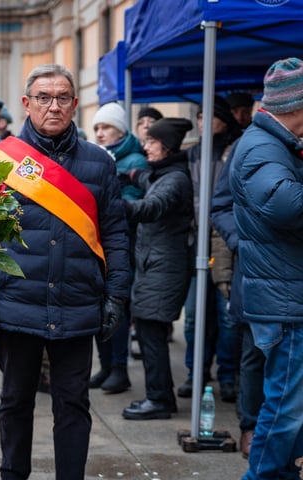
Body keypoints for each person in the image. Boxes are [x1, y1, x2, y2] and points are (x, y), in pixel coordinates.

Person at [0, 64, 131, 479]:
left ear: (75, 103)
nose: (54, 106)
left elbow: (116, 233)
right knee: (14, 401)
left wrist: (117, 294)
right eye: (44, 98)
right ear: (27, 104)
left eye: (62, 97)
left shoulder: (99, 162)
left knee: (73, 404)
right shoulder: (0, 161)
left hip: (77, 303)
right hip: (17, 305)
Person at [230, 57, 303, 479]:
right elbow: (286, 205)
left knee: (290, 410)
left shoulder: (274, 143)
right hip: (283, 300)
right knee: (284, 411)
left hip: (286, 293)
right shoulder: (262, 145)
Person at [120, 118, 195, 420]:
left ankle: (160, 399)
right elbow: (147, 181)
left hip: (165, 269)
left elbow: (150, 208)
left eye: (151, 142)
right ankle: (158, 395)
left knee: (151, 333)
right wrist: (129, 174)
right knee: (150, 331)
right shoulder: (164, 174)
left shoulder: (175, 180)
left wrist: (113, 201)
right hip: (156, 267)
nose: (145, 146)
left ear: (166, 147)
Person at [178, 96, 242, 403]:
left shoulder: (235, 151)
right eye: (199, 117)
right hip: (195, 245)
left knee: (227, 316)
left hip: (225, 245)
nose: (202, 122)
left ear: (223, 119)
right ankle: (196, 373)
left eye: (209, 117)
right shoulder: (190, 154)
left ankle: (228, 375)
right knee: (193, 316)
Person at [90, 102, 149, 394]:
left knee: (118, 308)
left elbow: (132, 199)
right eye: (97, 128)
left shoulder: (134, 160)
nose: (100, 133)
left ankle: (119, 368)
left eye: (106, 127)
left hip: (123, 241)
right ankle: (105, 366)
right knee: (99, 306)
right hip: (97, 242)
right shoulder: (100, 156)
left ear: (120, 130)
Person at [211, 144, 263, 460]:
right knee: (254, 355)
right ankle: (251, 427)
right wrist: (242, 242)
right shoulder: (250, 145)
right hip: (256, 271)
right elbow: (221, 206)